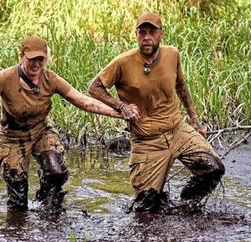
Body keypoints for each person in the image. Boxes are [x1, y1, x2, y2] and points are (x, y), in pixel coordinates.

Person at [0, 35, 123, 211]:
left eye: (41, 59)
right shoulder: (4, 78)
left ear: (46, 59)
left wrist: (119, 112)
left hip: (41, 131)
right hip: (13, 137)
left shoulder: (51, 79)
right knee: (18, 198)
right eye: (31, 59)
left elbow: (82, 101)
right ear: (21, 57)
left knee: (56, 172)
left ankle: (46, 208)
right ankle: (19, 232)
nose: (36, 64)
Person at [89, 12, 225, 212]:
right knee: (146, 207)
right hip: (147, 140)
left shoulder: (172, 54)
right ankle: (160, 202)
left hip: (177, 130)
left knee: (213, 169)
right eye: (141, 32)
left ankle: (185, 206)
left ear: (161, 34)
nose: (146, 37)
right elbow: (94, 87)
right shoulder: (122, 63)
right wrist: (121, 106)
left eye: (151, 32)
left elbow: (181, 86)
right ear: (136, 34)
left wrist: (195, 121)